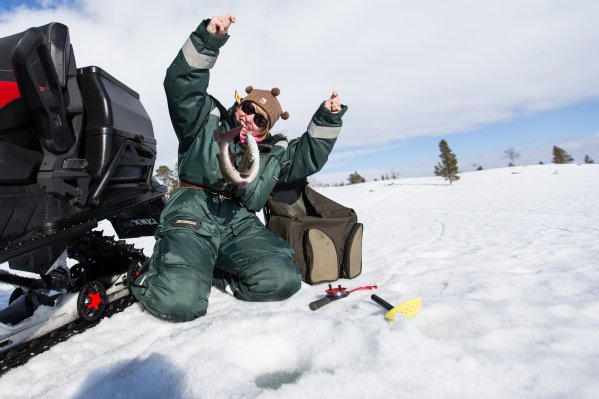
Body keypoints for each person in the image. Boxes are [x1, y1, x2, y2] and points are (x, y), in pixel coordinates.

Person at [132, 14, 348, 322]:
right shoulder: (204, 121)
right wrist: (209, 39)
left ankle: (212, 273)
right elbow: (182, 86)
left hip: (240, 223)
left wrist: (328, 118)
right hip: (193, 212)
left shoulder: (271, 155)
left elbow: (308, 155)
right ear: (239, 105)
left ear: (264, 131)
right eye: (248, 108)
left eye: (260, 119)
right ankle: (154, 273)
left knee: (284, 279)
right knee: (180, 304)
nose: (250, 118)